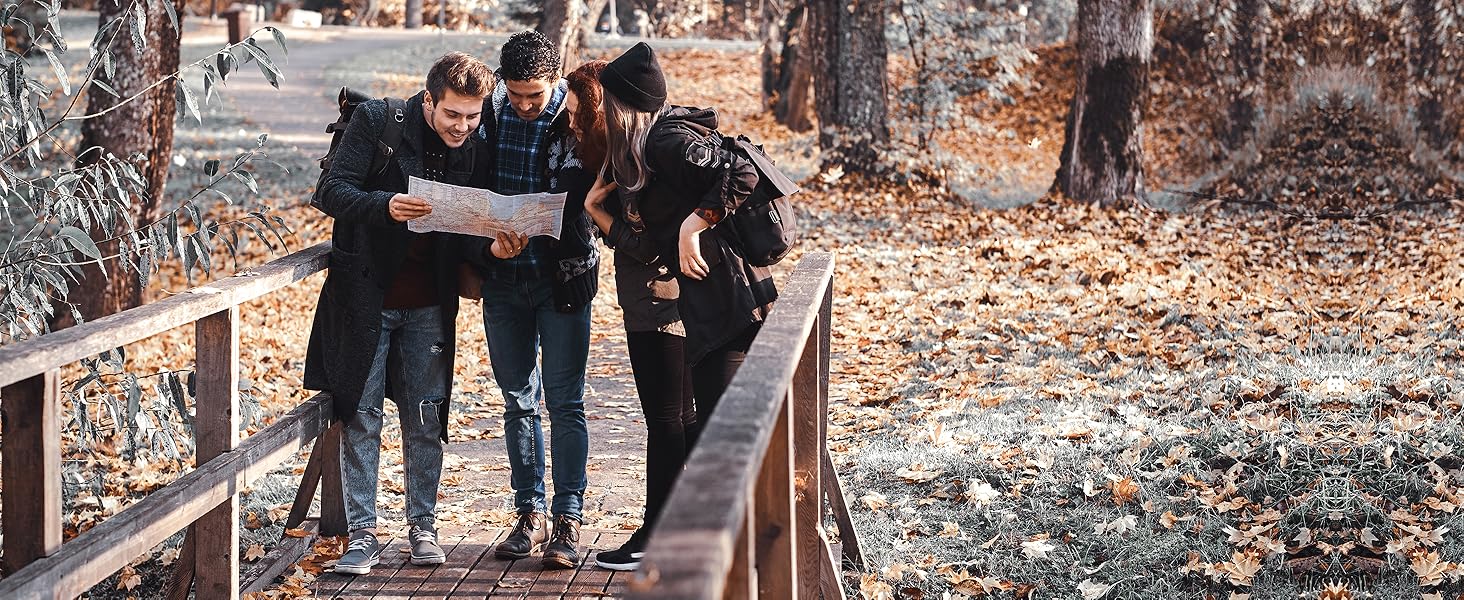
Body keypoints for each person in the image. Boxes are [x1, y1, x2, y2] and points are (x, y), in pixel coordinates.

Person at [303, 52, 492, 575]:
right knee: (361, 414)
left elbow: (471, 223)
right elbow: (331, 192)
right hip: (366, 299)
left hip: (431, 305)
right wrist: (386, 206)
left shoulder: (475, 142)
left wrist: (494, 249)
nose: (464, 127)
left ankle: (423, 528)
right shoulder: (378, 121)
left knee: (427, 417)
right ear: (428, 101)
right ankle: (362, 534)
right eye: (454, 114)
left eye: (474, 116)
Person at [595, 40, 778, 557]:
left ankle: (726, 559)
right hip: (714, 309)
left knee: (718, 440)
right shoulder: (659, 143)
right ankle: (699, 550)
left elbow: (743, 172)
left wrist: (694, 227)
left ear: (622, 105)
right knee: (709, 434)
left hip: (729, 308)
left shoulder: (665, 141)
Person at [460, 30, 597, 569]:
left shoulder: (580, 119)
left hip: (561, 281)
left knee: (565, 402)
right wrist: (487, 243)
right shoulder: (488, 117)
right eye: (514, 94)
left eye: (533, 96)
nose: (522, 106)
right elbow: (469, 196)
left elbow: (596, 196)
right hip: (503, 281)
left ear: (555, 81)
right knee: (518, 400)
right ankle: (529, 514)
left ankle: (568, 517)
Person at [573, 60, 692, 572]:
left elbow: (653, 247)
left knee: (667, 421)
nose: (575, 125)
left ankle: (655, 535)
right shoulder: (639, 151)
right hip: (662, 303)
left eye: (580, 116)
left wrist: (600, 215)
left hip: (662, 307)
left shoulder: (651, 155)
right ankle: (676, 529)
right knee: (680, 419)